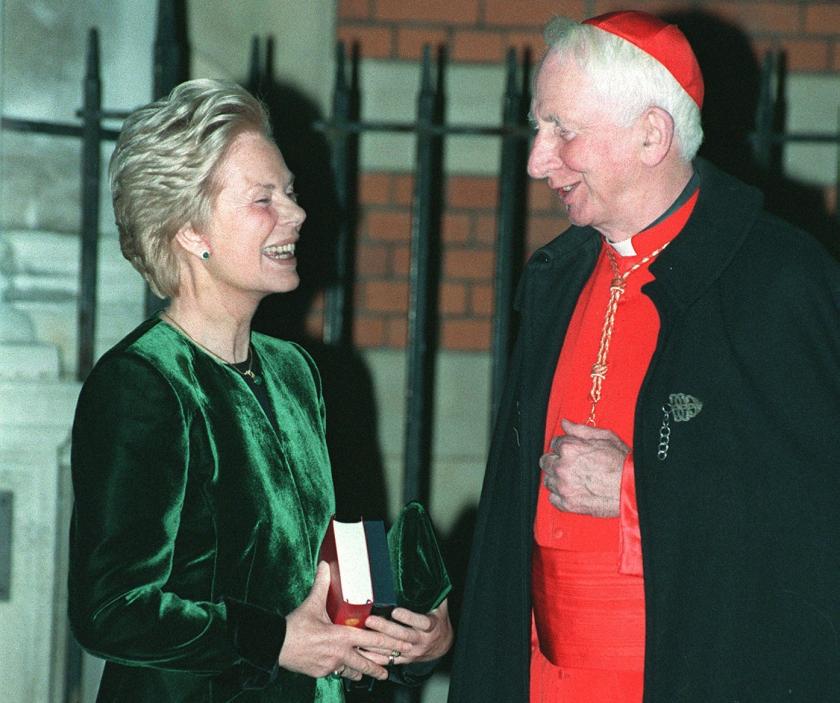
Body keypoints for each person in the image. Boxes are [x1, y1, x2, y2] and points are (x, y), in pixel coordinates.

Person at [448, 10, 840, 703]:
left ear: (651, 135)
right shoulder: (557, 277)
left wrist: (633, 493)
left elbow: (812, 515)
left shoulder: (779, 280)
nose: (537, 161)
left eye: (561, 130)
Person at [68, 78, 452, 702]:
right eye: (263, 198)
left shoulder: (298, 372)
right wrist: (271, 640)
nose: (297, 214)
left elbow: (342, 552)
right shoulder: (141, 385)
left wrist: (411, 630)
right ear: (191, 230)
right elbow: (110, 610)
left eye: (291, 193)